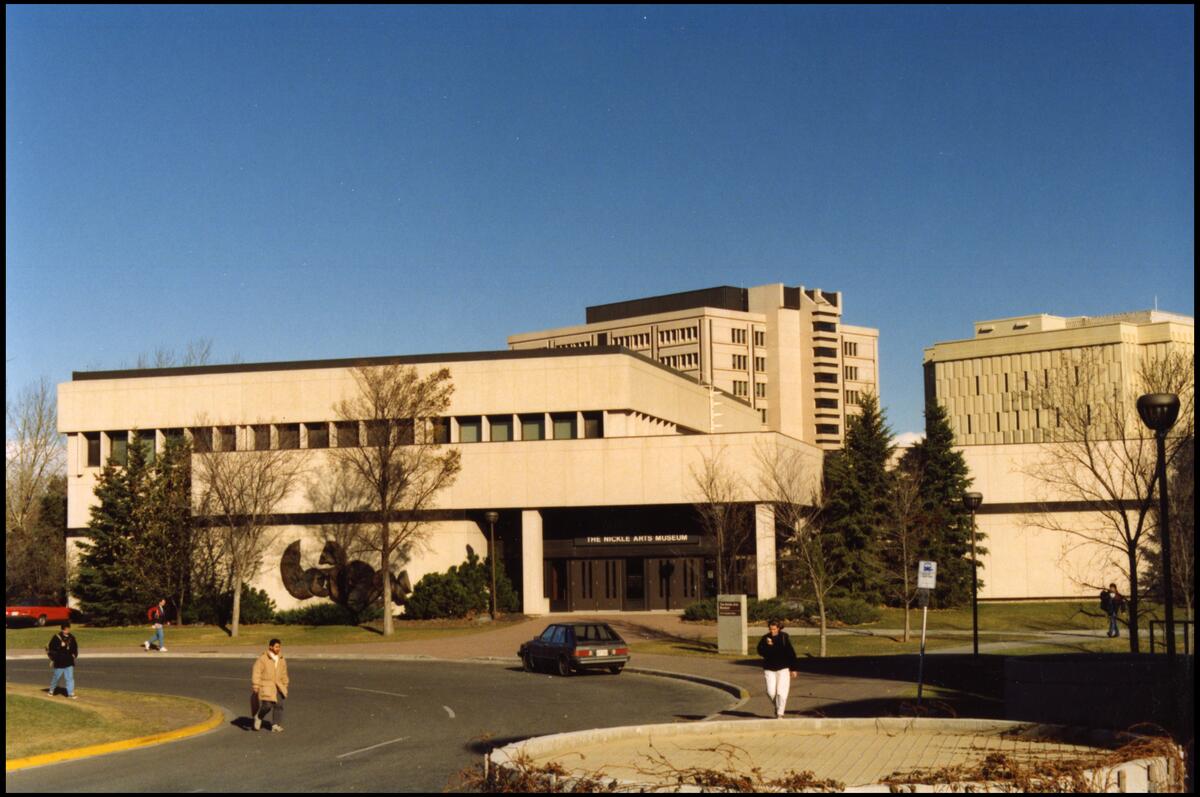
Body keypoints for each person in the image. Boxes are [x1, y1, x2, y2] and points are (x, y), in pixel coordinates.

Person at [755, 618, 798, 719]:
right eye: (770, 629)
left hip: (783, 668)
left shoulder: (784, 638)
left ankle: (780, 714)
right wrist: (768, 646)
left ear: (778, 628)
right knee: (770, 692)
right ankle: (778, 707)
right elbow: (761, 652)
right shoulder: (765, 638)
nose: (772, 631)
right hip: (769, 668)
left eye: (774, 629)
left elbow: (790, 653)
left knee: (781, 692)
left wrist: (793, 669)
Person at [251, 638, 289, 732]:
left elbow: (284, 672)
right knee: (267, 706)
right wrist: (256, 685)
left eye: (279, 646)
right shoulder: (263, 658)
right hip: (266, 686)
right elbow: (257, 672)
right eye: (276, 646)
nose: (278, 648)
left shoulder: (281, 658)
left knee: (279, 705)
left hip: (278, 686)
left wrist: (285, 683)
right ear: (270, 647)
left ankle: (276, 725)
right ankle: (259, 717)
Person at [47, 622, 79, 699]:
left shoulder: (72, 637)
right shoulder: (56, 637)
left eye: (68, 629)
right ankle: (51, 690)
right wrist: (59, 646)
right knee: (56, 677)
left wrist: (75, 654)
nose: (67, 631)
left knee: (70, 678)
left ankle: (70, 693)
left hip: (69, 661)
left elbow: (75, 647)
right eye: (65, 629)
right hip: (59, 661)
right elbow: (51, 647)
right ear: (62, 630)